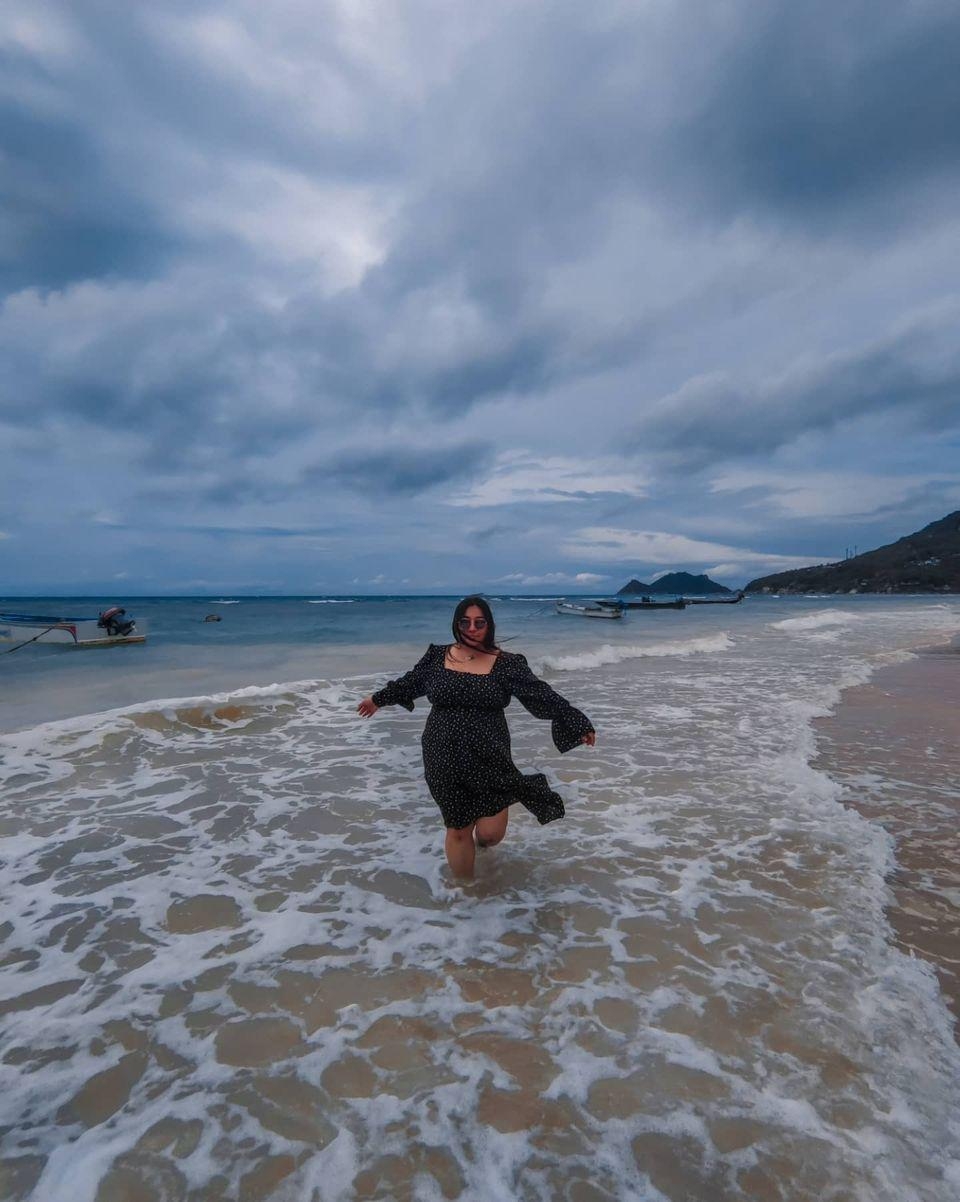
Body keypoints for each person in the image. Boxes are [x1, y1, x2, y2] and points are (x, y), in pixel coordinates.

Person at [357, 595, 596, 879]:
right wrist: (377, 699)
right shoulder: (437, 657)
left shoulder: (507, 663)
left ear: (488, 625)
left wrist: (576, 721)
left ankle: (482, 848)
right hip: (442, 753)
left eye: (479, 623)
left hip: (490, 754)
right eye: (465, 622)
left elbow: (540, 693)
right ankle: (466, 893)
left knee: (490, 834)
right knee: (458, 828)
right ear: (456, 624)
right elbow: (410, 682)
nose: (472, 628)